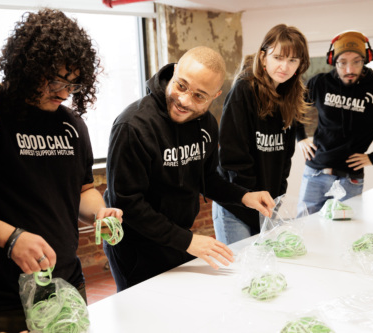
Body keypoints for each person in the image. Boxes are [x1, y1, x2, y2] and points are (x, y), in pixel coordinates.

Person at [0, 9, 123, 332]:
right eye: (54, 81)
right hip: (1, 293)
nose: (64, 93)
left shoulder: (72, 125)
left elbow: (81, 190)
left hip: (66, 284)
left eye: (72, 84)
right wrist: (11, 239)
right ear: (28, 65)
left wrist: (101, 213)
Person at [104, 46, 276, 292]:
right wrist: (188, 241)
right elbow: (128, 204)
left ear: (215, 95)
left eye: (199, 96)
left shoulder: (206, 124)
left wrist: (244, 196)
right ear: (174, 72)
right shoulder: (132, 126)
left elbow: (207, 178)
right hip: (135, 245)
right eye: (181, 86)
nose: (184, 101)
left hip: (177, 237)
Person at [296, 30, 373, 214]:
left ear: (366, 60)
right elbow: (293, 106)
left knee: (347, 233)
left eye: (356, 61)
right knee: (304, 226)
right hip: (314, 174)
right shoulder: (320, 83)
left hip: (350, 179)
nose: (349, 69)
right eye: (343, 62)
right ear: (333, 60)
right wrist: (300, 137)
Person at [213, 24, 310, 245]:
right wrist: (252, 198)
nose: (284, 66)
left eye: (293, 60)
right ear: (263, 57)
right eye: (278, 57)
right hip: (236, 205)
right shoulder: (244, 90)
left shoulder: (289, 96)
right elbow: (233, 155)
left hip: (266, 205)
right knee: (240, 271)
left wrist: (277, 196)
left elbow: (285, 156)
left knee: (262, 267)